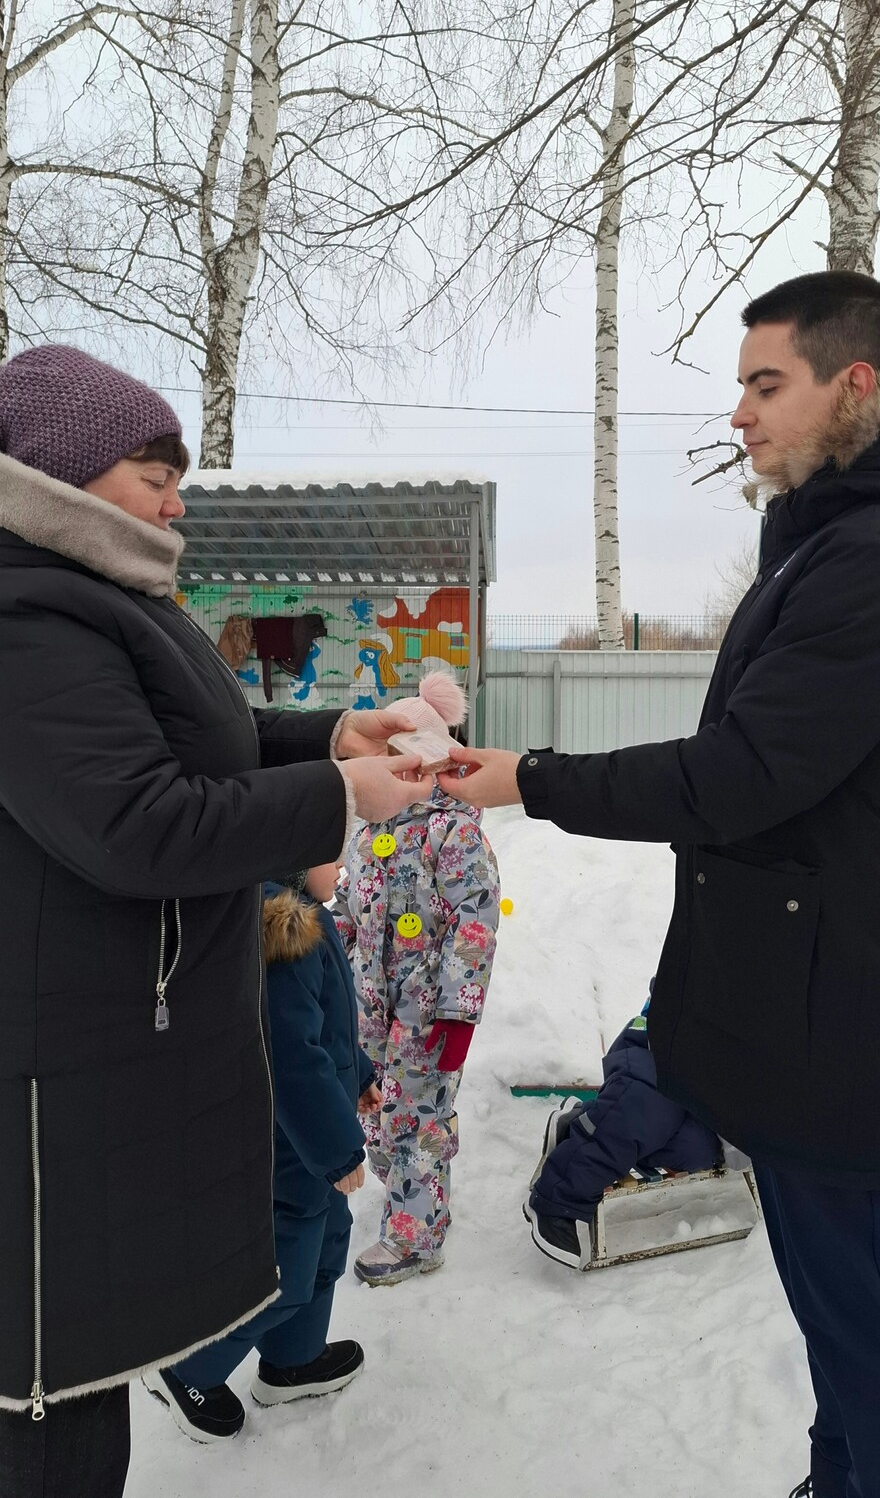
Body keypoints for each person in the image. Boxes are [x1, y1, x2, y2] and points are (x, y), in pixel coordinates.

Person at [437, 272, 880, 1498]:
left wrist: (532, 779)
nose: (739, 413)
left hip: (845, 1005)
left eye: (765, 384)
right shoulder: (844, 538)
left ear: (855, 383)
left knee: (873, 1319)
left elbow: (746, 773)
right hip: (814, 989)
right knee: (841, 1309)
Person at [0, 345, 430, 1497]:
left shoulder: (92, 599)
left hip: (102, 1060)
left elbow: (194, 741)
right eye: (155, 475)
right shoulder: (24, 615)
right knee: (51, 1398)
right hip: (53, 1082)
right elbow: (135, 822)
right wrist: (340, 797)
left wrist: (331, 736)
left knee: (87, 1379)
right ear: (62, 473)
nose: (176, 502)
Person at [145, 863, 380, 1441]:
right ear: (293, 855)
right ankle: (187, 1371)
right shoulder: (281, 931)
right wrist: (337, 1149)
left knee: (328, 1243)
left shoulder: (308, 917)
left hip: (311, 1142)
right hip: (285, 1147)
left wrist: (359, 1075)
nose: (342, 866)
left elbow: (328, 1028)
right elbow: (291, 1060)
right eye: (330, 853)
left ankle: (293, 1360)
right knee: (283, 1272)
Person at [333, 672, 500, 1285]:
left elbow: (474, 921)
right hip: (368, 1011)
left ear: (436, 765)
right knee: (379, 1114)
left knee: (417, 1120)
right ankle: (414, 1196)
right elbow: (347, 909)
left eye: (409, 765)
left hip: (425, 1014)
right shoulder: (370, 832)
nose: (397, 777)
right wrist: (326, 961)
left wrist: (458, 1013)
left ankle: (416, 1237)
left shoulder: (454, 831)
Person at [526, 1005, 719, 1270]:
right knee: (648, 1107)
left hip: (711, 1088)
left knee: (695, 1148)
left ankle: (590, 1118)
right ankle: (558, 1198)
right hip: (663, 1044)